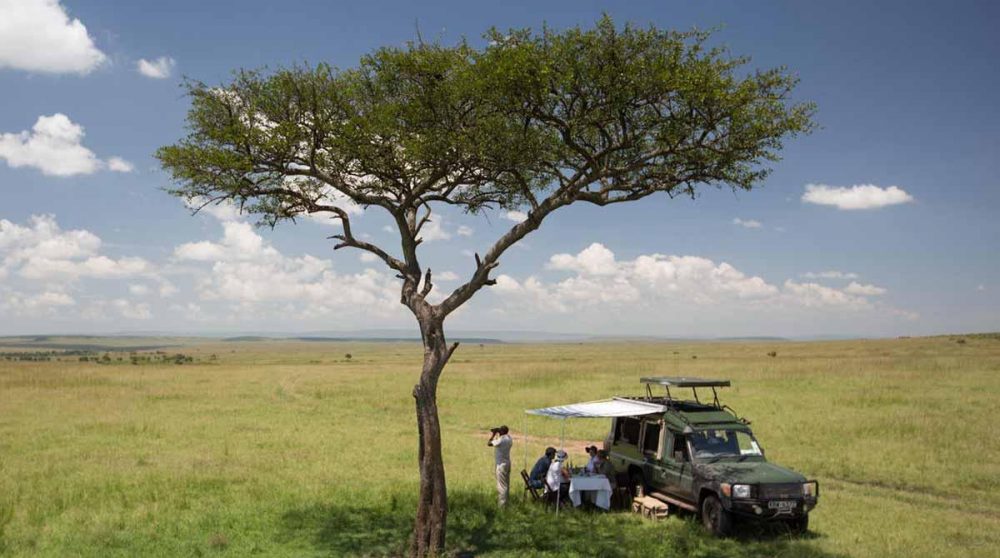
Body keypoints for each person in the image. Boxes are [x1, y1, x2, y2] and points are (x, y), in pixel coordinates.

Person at [488, 425, 512, 507]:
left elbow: (489, 443)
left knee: (502, 486)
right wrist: (499, 432)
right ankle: (506, 503)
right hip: (507, 463)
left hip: (501, 465)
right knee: (506, 484)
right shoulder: (509, 438)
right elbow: (503, 435)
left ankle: (502, 505)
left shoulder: (501, 440)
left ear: (501, 432)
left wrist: (493, 434)